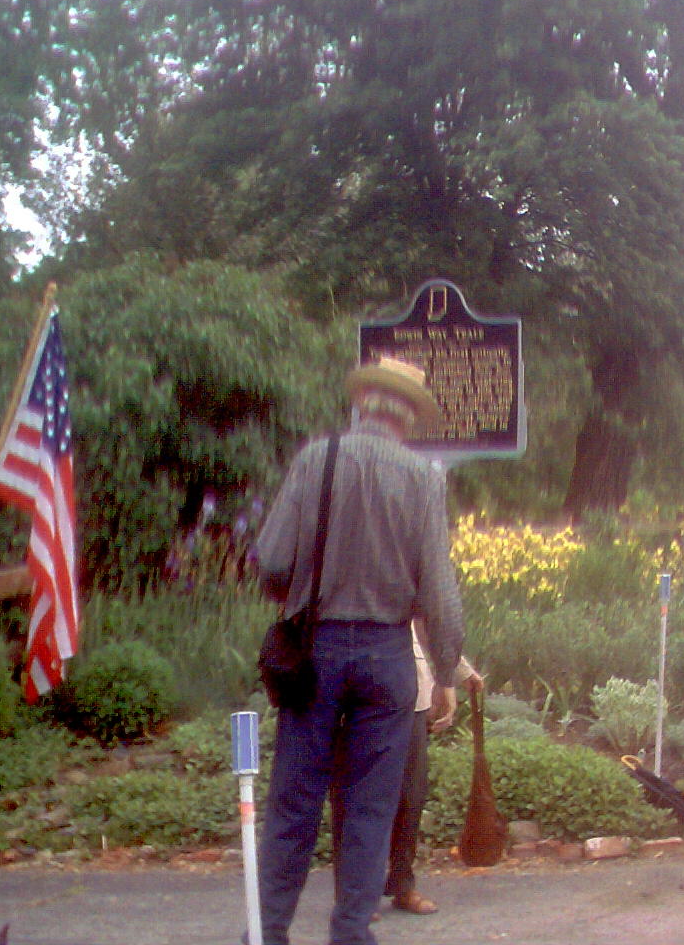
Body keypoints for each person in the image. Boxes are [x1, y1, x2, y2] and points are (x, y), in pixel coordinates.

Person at [254, 357, 465, 945]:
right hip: (387, 656)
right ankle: (351, 935)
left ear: (362, 404)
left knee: (294, 804)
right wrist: (445, 668)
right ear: (409, 417)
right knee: (371, 809)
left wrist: (298, 595)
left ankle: (268, 932)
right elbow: (439, 591)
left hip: (315, 652)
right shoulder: (424, 478)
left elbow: (271, 561)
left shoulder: (314, 460)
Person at [332, 626, 483, 919]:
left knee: (410, 796)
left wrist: (455, 673)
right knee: (355, 799)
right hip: (353, 699)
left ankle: (403, 884)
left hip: (409, 696)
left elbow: (429, 621)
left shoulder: (405, 578)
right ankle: (354, 892)